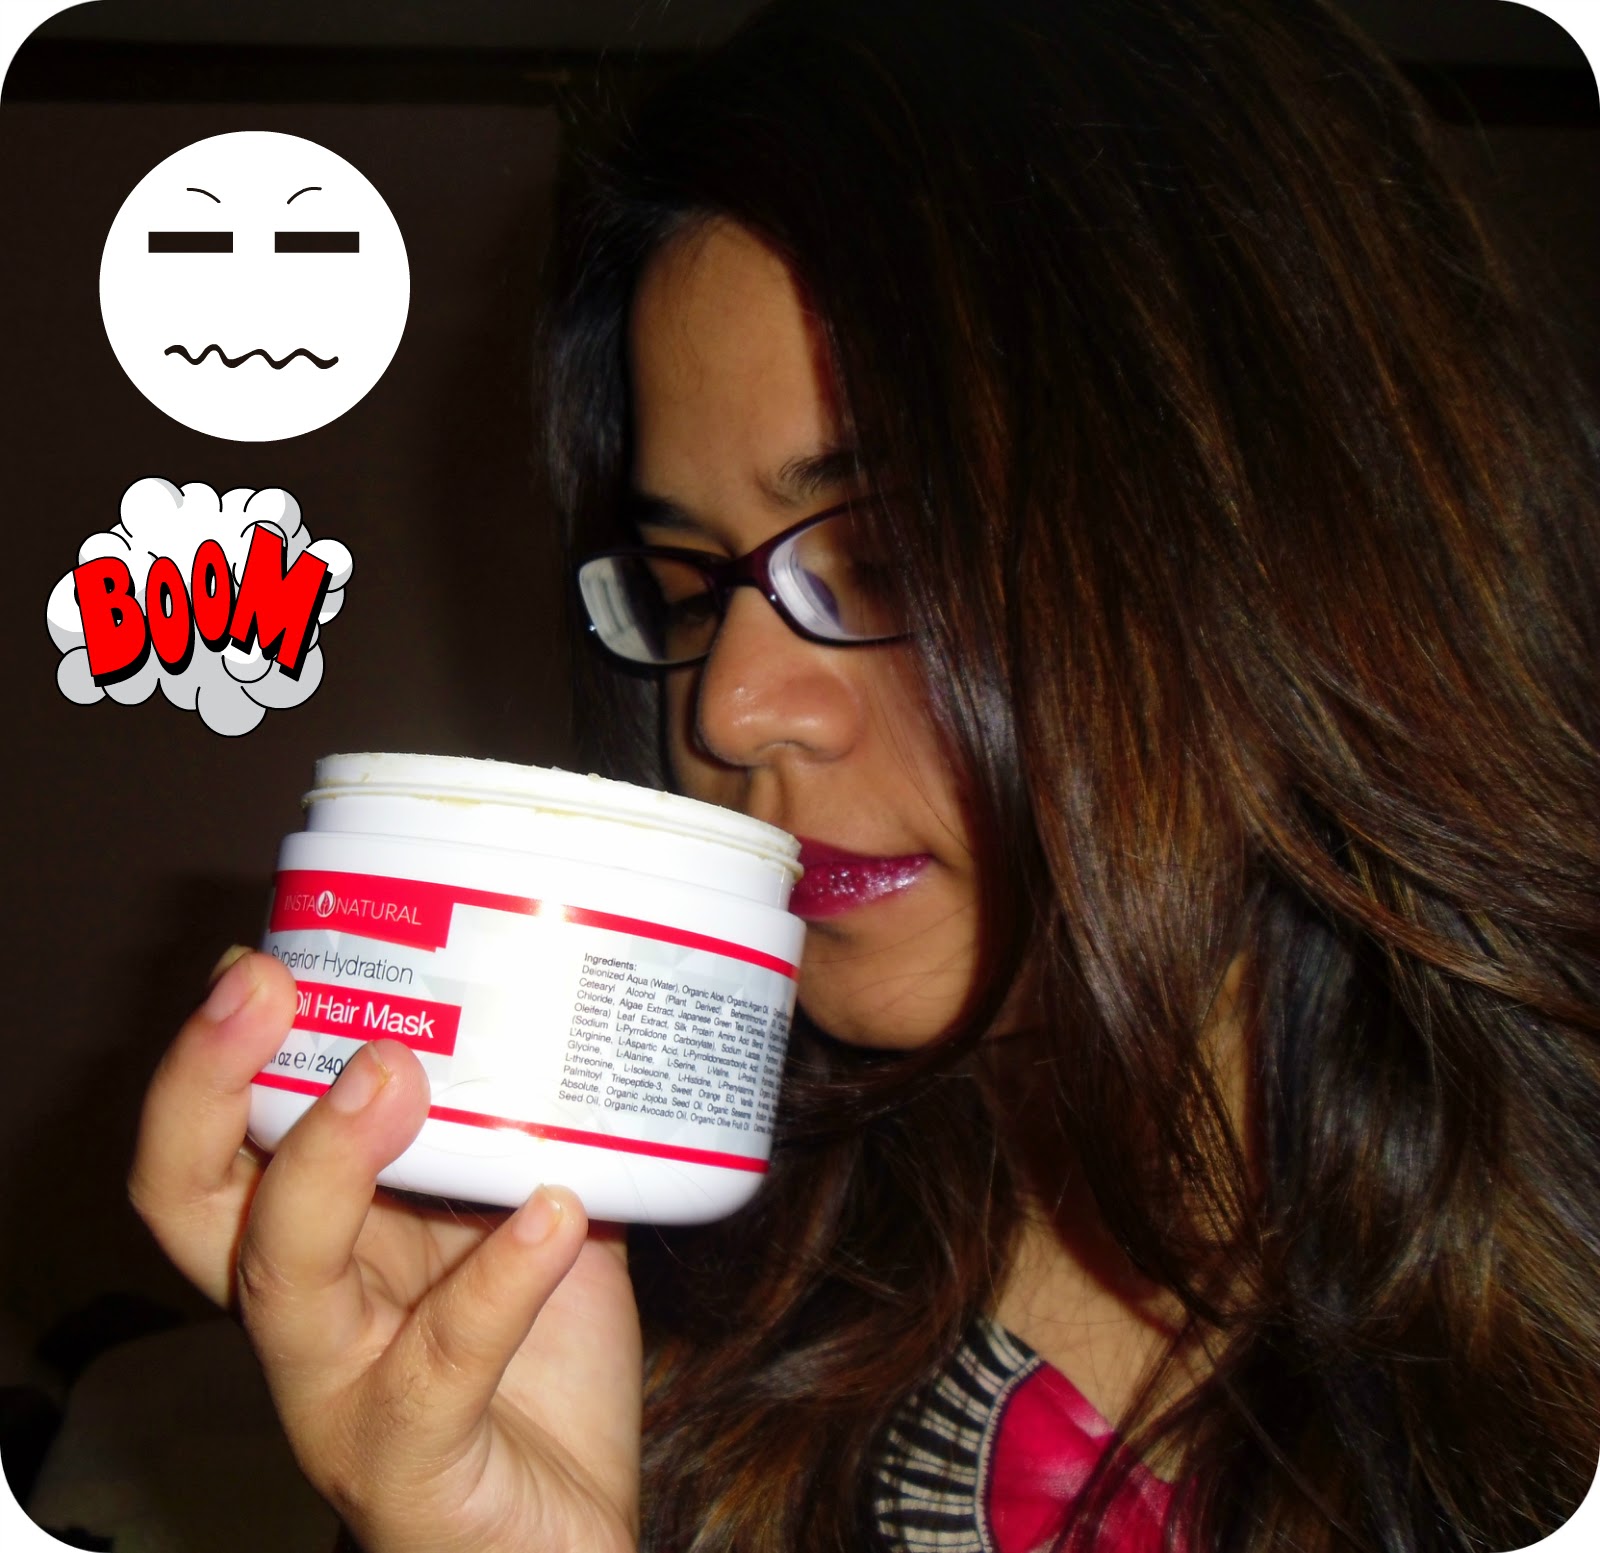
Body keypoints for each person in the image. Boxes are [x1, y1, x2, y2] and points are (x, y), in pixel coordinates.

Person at [128, 0, 1600, 1548]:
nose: (729, 705)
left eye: (888, 555)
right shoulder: (642, 1307)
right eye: (688, 589)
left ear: (1297, 540)